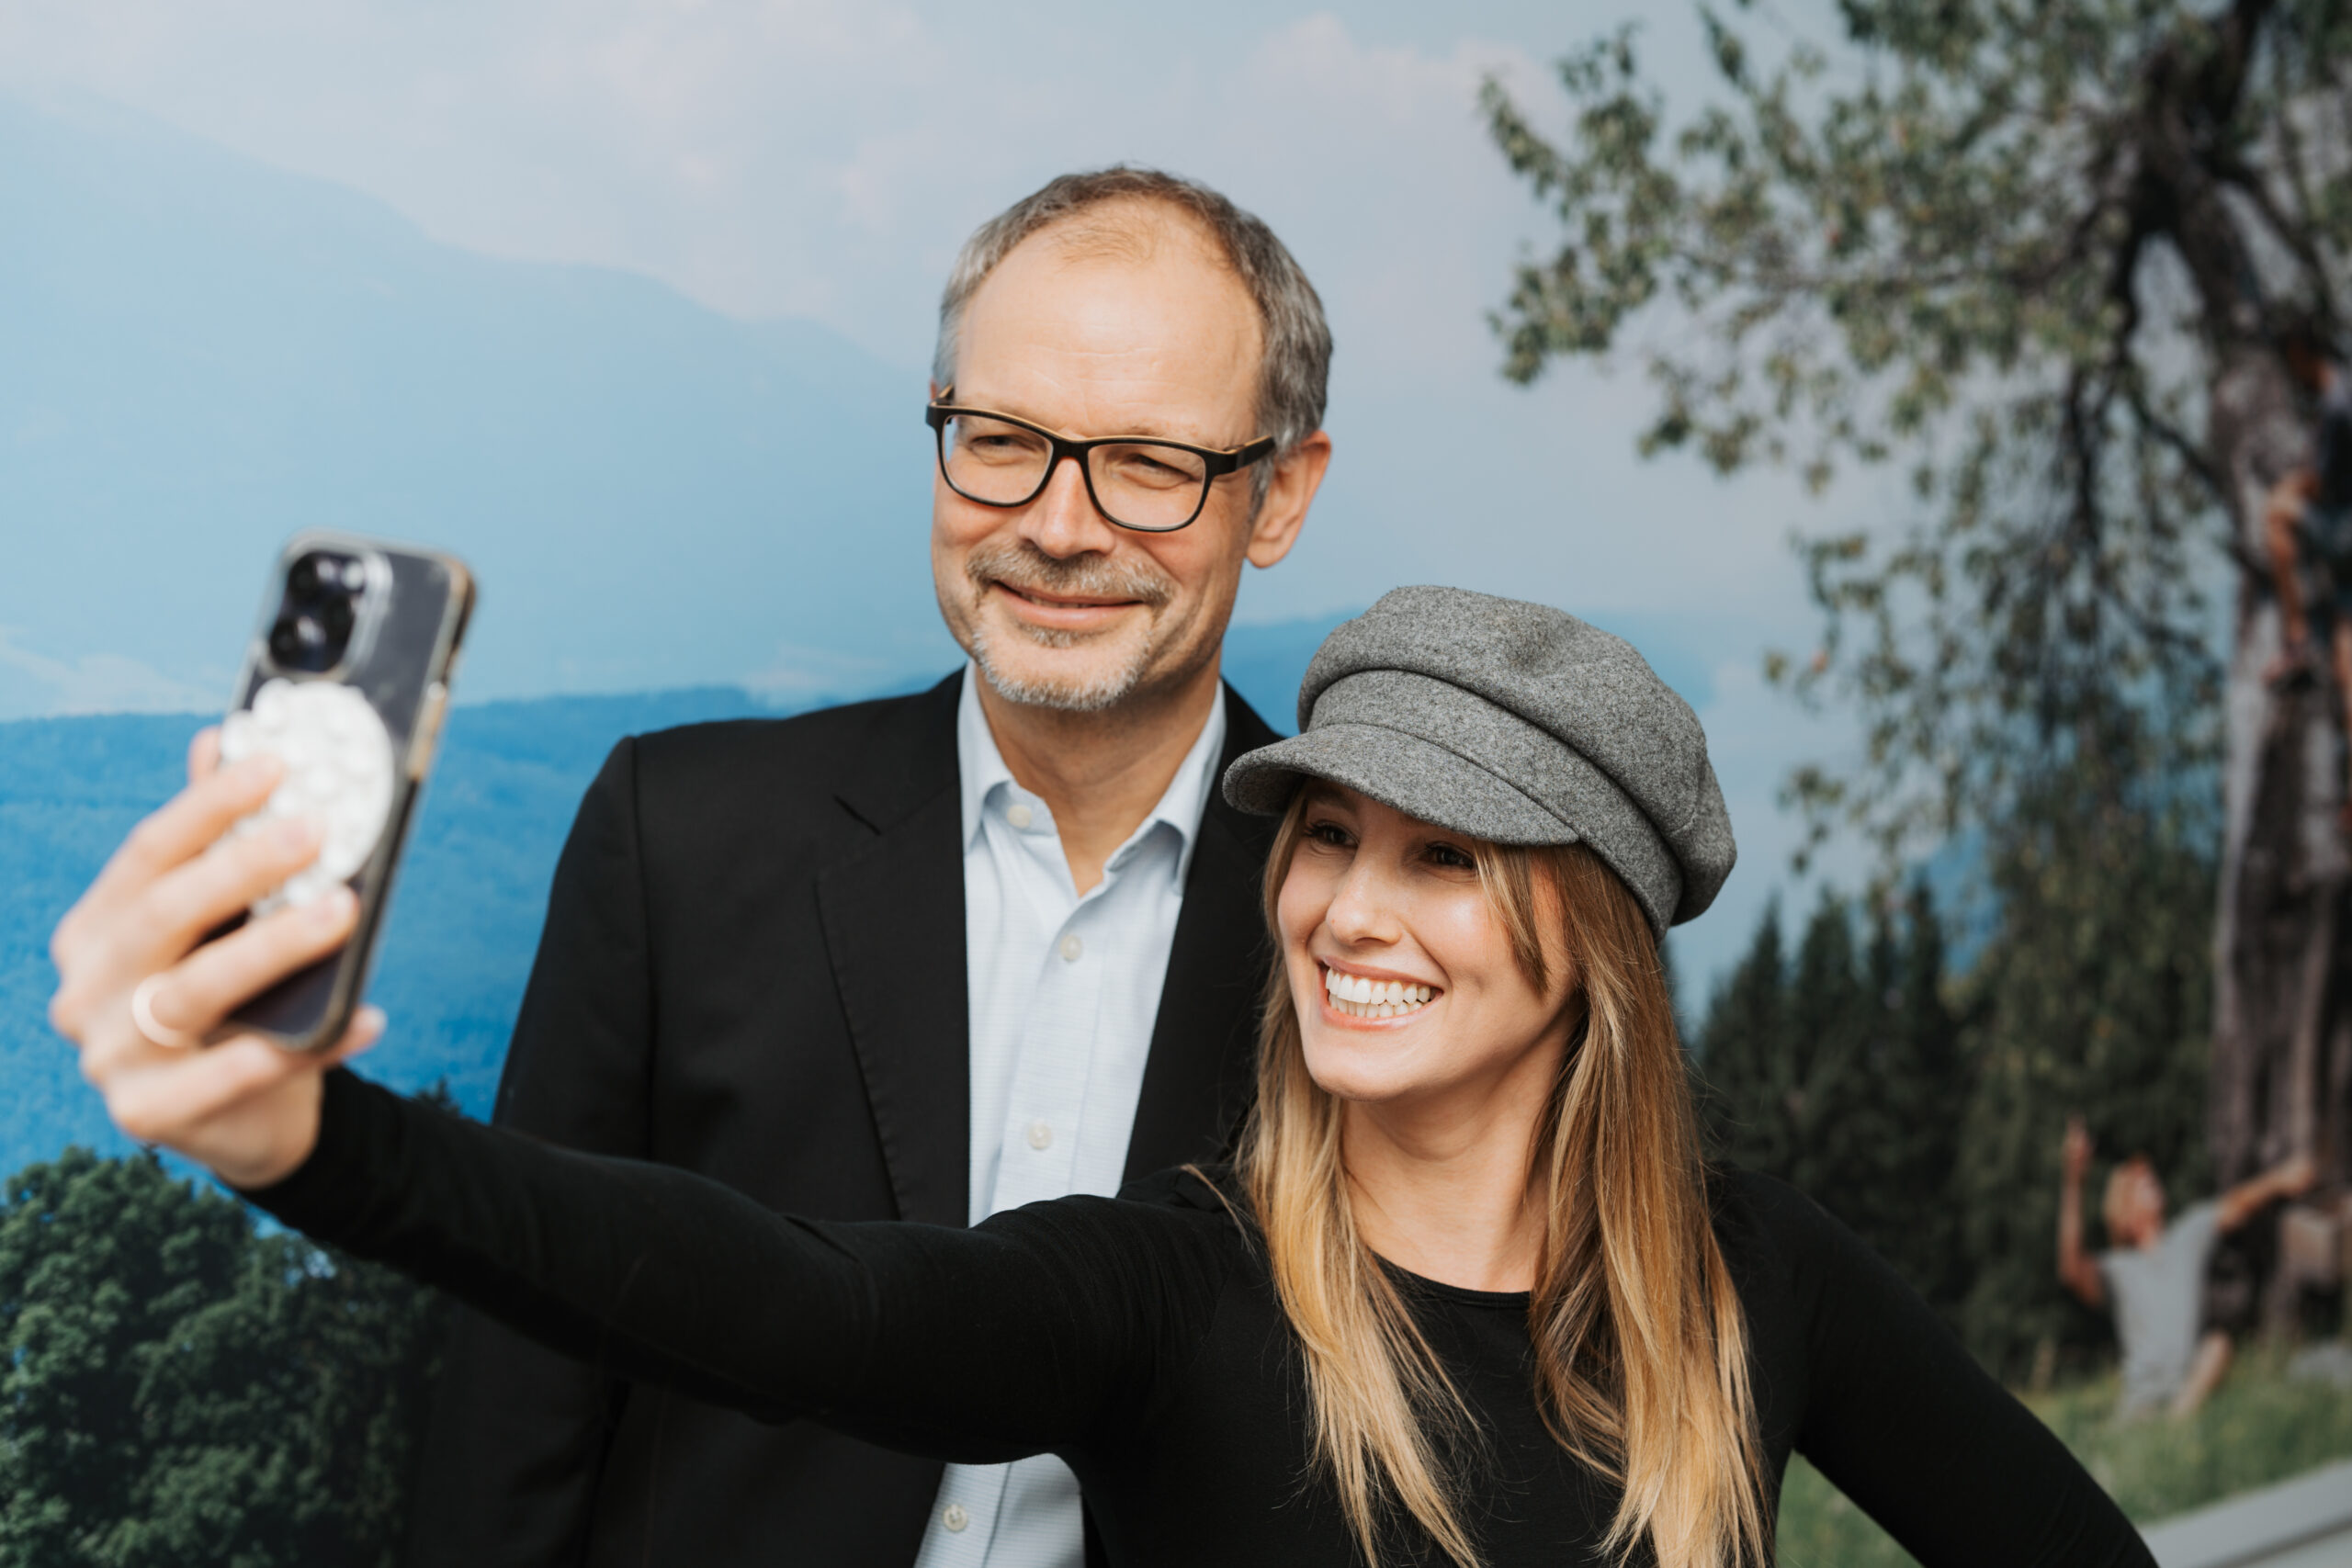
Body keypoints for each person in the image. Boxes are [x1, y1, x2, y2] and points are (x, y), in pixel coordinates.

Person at [54, 587, 2155, 1568]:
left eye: (1442, 856)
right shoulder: (1187, 1286)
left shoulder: (1738, 1275)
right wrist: (322, 1138)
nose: (1340, 900)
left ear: (1580, 942)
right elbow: (802, 1297)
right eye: (1324, 828)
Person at [423, 167, 1334, 1566]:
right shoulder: (678, 836)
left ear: (1277, 496)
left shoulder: (1371, 927)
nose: (1058, 522)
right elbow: (519, 1377)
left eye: (1149, 461)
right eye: (1000, 436)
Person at [2057, 1115, 2317, 1420]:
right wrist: (2074, 1180)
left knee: (2218, 1346)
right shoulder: (2118, 1268)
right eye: (2140, 1184)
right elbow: (2071, 1270)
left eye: (2150, 1178)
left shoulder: (2187, 1237)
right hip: (2141, 1398)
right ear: (2124, 1213)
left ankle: (2175, 1425)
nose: (2152, 1181)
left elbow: (2237, 1203)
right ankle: (2162, 1426)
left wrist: (2281, 1180)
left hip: (2185, 1387)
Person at [2258, 316, 2352, 818]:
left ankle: (2295, 640)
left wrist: (2293, 485)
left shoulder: (2337, 406)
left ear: (2301, 351)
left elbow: (2317, 483)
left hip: (2345, 534)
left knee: (2275, 510)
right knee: (2347, 649)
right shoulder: (2343, 385)